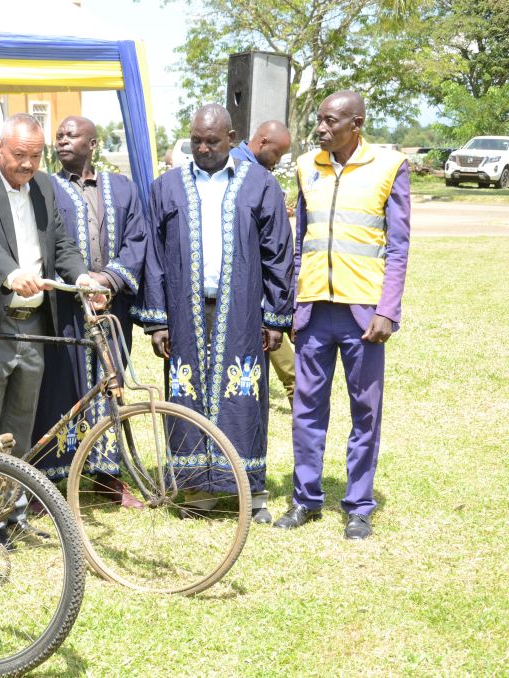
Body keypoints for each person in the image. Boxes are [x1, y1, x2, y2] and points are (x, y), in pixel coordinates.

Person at [136, 104, 293, 525]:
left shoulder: (259, 184)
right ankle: (198, 489)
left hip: (241, 308)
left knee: (243, 396)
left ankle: (250, 491)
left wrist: (275, 317)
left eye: (212, 140)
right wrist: (157, 320)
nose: (203, 148)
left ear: (232, 137)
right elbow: (152, 253)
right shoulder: (166, 186)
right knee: (186, 396)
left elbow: (278, 251)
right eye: (197, 140)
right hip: (183, 307)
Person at [274, 90, 410, 540]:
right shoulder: (305, 167)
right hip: (314, 312)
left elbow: (397, 246)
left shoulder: (389, 167)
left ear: (357, 123)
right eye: (320, 120)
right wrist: (295, 303)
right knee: (306, 410)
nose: (321, 128)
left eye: (331, 121)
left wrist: (387, 311)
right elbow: (301, 241)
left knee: (365, 412)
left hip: (363, 315)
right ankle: (305, 499)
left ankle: (358, 505)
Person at [0, 114, 100, 506]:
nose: (28, 165)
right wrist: (10, 274)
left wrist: (81, 277)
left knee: (20, 425)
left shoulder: (44, 186)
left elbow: (61, 243)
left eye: (35, 156)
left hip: (33, 325)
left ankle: (9, 511)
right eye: (19, 155)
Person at [30, 115, 146, 508]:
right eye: (58, 136)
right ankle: (50, 477)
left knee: (110, 387)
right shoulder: (43, 186)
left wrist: (109, 281)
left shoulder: (122, 188)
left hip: (110, 307)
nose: (62, 141)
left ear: (93, 143)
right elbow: (46, 244)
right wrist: (81, 281)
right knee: (60, 389)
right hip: (63, 305)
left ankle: (108, 477)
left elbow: (137, 239)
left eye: (71, 135)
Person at [230, 120, 297, 406]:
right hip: (246, 274)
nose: (277, 162)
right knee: (269, 333)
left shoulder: (257, 173)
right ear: (263, 142)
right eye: (278, 155)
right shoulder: (236, 169)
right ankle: (296, 389)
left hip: (259, 271)